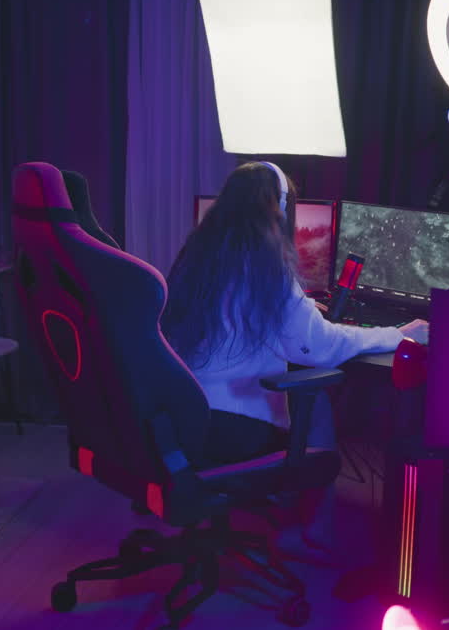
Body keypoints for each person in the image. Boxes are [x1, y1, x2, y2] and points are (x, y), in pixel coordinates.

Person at [161, 162, 426, 557]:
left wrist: (299, 310)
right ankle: (315, 527)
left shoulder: (196, 256)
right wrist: (400, 333)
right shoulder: (265, 266)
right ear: (280, 211)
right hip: (230, 427)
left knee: (305, 389)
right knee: (314, 396)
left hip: (182, 414)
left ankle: (291, 510)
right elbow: (321, 346)